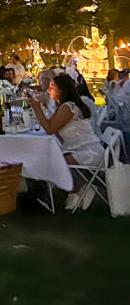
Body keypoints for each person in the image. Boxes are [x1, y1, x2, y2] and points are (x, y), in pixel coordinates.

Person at [28, 74, 104, 210]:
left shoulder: (68, 107)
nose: (48, 90)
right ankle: (76, 189)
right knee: (50, 158)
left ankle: (79, 188)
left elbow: (49, 129)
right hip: (79, 149)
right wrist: (43, 108)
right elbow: (51, 126)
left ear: (61, 90)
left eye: (52, 88)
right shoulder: (62, 107)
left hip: (89, 151)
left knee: (52, 162)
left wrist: (37, 109)